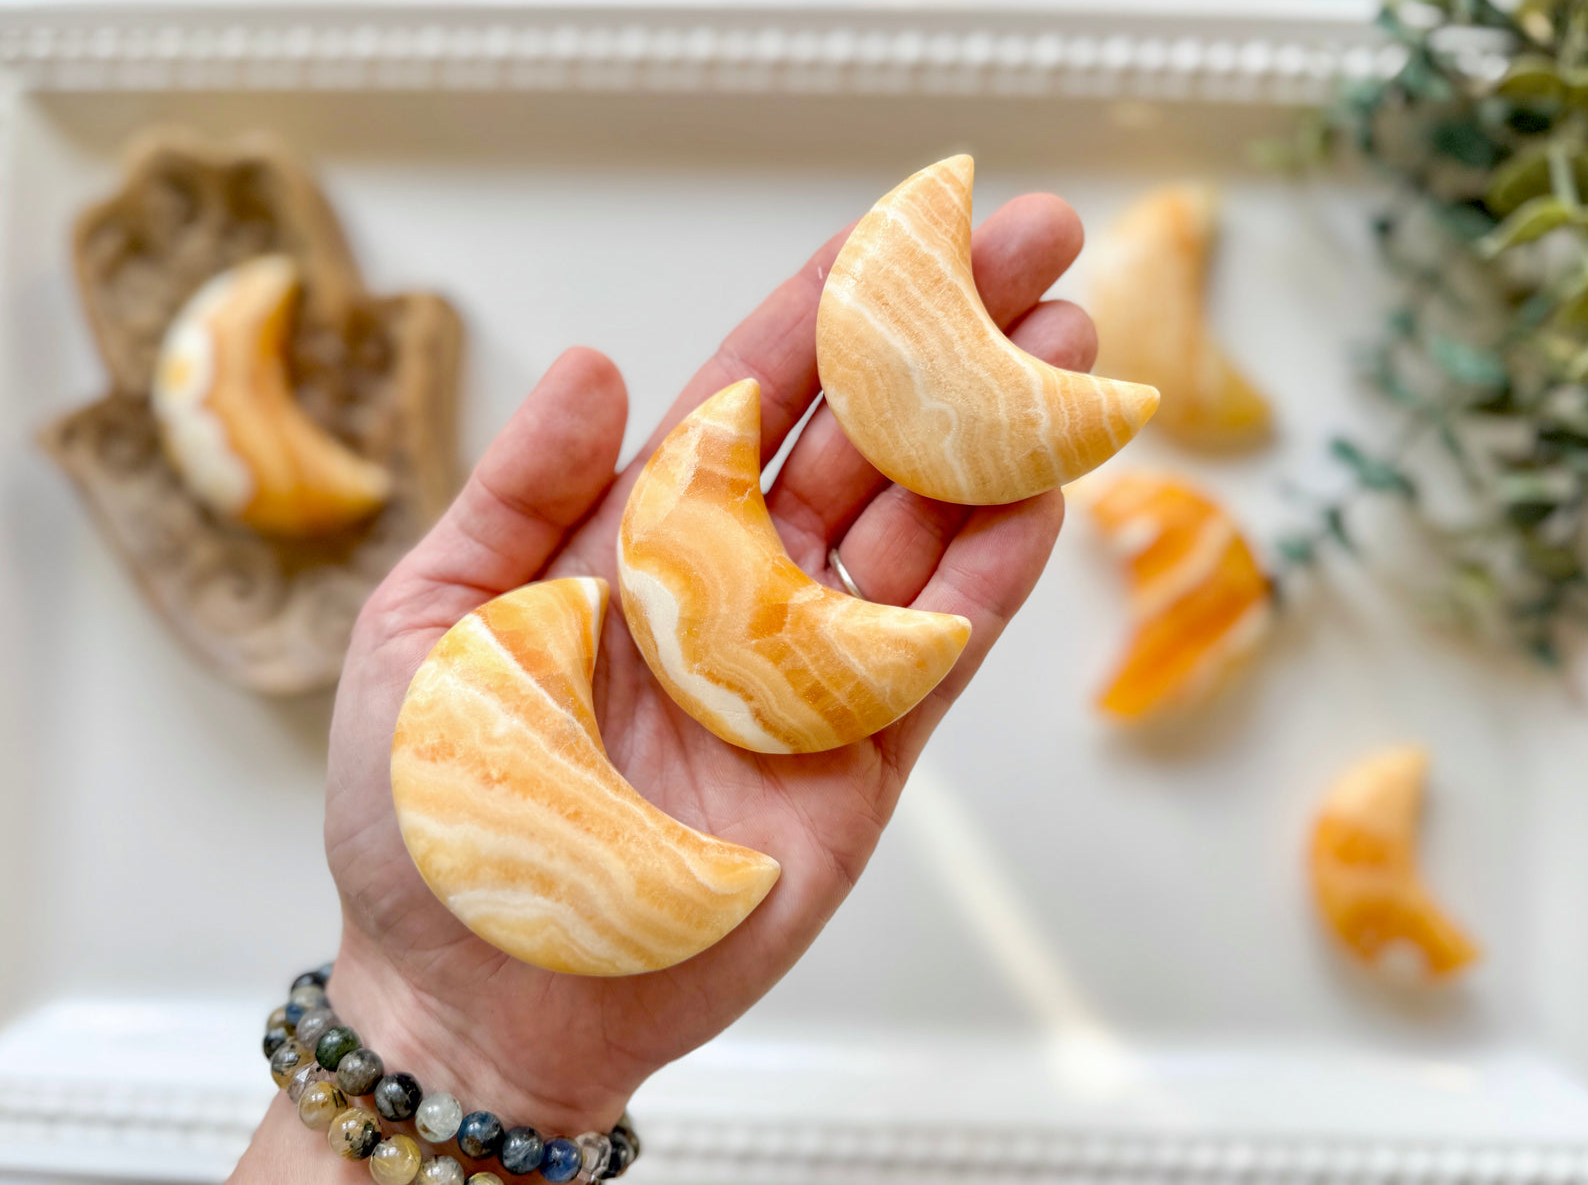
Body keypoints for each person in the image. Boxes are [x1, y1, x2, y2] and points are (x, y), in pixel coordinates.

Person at [231, 188, 1097, 1181]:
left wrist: (451, 1063)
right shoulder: (529, 657)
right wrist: (442, 1036)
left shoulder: (567, 628)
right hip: (545, 753)